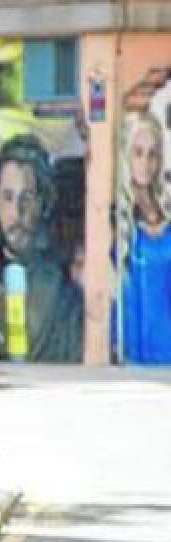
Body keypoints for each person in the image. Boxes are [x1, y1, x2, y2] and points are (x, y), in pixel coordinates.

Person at [0, 133, 84, 361]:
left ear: (43, 204)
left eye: (27, 197)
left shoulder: (62, 286)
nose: (17, 211)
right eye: (8, 197)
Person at [118, 110, 171, 363]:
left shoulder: (167, 212)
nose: (146, 163)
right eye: (138, 153)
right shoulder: (115, 218)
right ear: (126, 156)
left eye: (153, 154)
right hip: (132, 356)